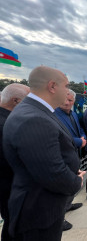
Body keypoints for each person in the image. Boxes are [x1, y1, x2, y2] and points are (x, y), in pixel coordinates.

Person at [3, 66, 84, 241]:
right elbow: (52, 173)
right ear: (52, 86)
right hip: (39, 211)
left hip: (41, 204)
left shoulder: (38, 110)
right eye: (66, 85)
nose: (69, 91)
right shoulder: (34, 118)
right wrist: (76, 181)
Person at [0, 83, 30, 241]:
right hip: (12, 188)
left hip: (8, 187)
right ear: (16, 101)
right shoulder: (7, 125)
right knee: (15, 226)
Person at [55, 89, 86, 231]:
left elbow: (80, 129)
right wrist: (79, 142)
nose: (67, 103)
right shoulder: (54, 114)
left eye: (70, 100)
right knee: (62, 187)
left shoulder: (73, 113)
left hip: (75, 153)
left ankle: (68, 205)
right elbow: (59, 137)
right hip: (64, 155)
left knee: (72, 180)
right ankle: (58, 219)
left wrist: (83, 137)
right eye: (65, 100)